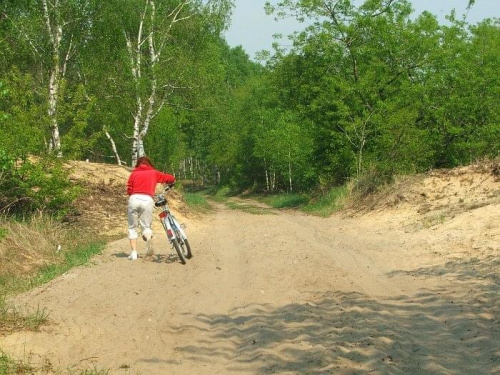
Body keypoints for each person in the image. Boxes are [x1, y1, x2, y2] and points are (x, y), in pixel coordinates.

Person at [126, 156, 175, 260]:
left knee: (132, 227)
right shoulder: (153, 172)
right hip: (147, 199)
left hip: (134, 198)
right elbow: (167, 178)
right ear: (149, 164)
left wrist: (133, 195)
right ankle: (148, 238)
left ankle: (134, 253)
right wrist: (172, 179)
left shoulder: (134, 173)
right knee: (146, 226)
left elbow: (129, 189)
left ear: (138, 164)